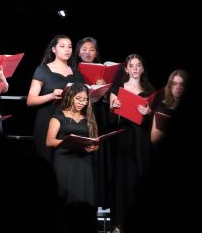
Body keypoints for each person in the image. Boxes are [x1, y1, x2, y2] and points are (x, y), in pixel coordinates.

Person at [108, 54, 155, 232]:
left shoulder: (149, 90)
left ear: (142, 69)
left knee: (141, 175)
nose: (135, 68)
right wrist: (114, 108)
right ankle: (119, 222)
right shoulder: (117, 88)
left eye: (138, 65)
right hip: (124, 137)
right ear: (126, 69)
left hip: (142, 138)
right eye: (131, 65)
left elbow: (153, 122)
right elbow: (111, 120)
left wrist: (148, 113)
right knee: (123, 178)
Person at [27, 34, 84, 164]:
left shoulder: (77, 74)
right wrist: (51, 95)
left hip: (70, 123)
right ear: (54, 49)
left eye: (70, 47)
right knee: (46, 161)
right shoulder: (43, 70)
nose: (67, 50)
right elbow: (30, 100)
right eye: (62, 46)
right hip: (47, 119)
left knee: (66, 163)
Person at [71, 36, 113, 208]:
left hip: (99, 113)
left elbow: (111, 99)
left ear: (96, 53)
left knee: (99, 152)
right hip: (80, 113)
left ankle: (100, 199)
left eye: (92, 50)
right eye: (84, 49)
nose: (88, 53)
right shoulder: (72, 70)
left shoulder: (102, 71)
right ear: (78, 51)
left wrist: (104, 87)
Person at [46, 82, 98, 206]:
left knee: (82, 194)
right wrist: (68, 142)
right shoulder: (59, 115)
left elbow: (96, 141)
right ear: (71, 97)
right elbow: (49, 141)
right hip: (64, 159)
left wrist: (93, 147)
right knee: (64, 195)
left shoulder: (88, 117)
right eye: (78, 99)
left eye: (85, 100)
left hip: (83, 161)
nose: (82, 102)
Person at [151, 69, 188, 143]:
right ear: (170, 86)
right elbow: (154, 138)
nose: (178, 87)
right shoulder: (163, 107)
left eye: (182, 84)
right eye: (174, 83)